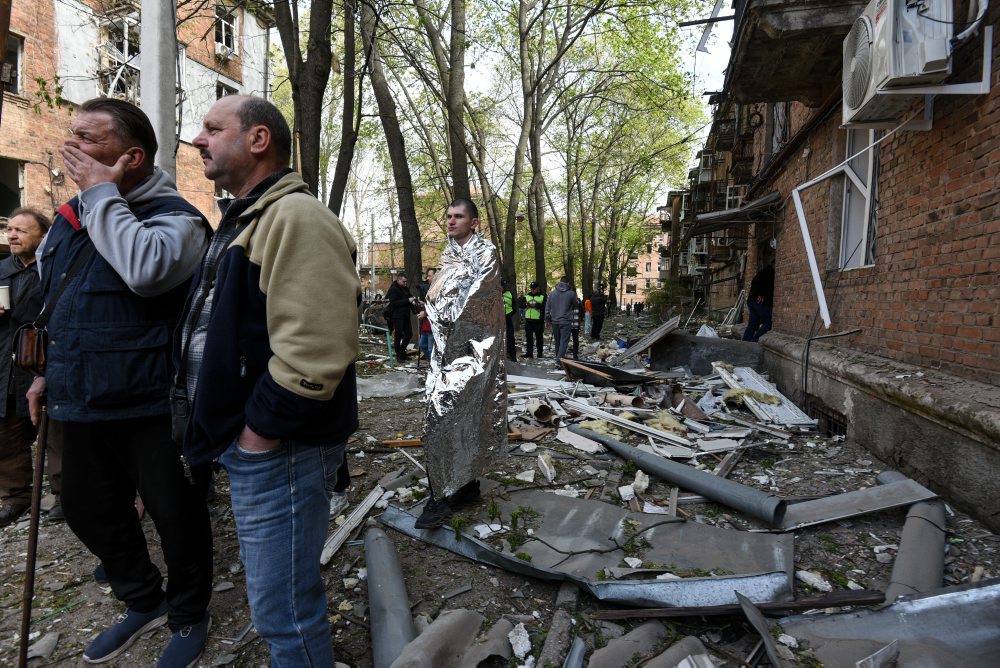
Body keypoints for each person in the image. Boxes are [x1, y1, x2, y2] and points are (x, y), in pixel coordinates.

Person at [25, 98, 213, 666]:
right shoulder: (69, 218)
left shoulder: (176, 218)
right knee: (85, 507)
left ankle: (188, 612)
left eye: (89, 138)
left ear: (131, 157)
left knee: (175, 517)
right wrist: (44, 373)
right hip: (78, 396)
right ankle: (143, 598)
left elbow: (146, 270)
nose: (72, 146)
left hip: (151, 401)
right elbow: (59, 304)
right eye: (72, 133)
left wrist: (102, 194)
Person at [180, 95, 359, 666]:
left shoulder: (296, 218)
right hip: (260, 444)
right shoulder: (249, 218)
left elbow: (316, 349)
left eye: (213, 129)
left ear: (259, 140)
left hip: (280, 448)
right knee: (278, 601)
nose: (198, 140)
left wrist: (260, 433)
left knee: (283, 610)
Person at [416, 198, 506, 529]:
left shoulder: (485, 253)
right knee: (449, 415)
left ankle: (442, 496)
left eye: (458, 217)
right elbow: (440, 294)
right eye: (449, 216)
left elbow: (479, 300)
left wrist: (445, 316)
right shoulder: (449, 254)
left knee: (450, 415)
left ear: (474, 223)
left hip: (474, 351)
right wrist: (432, 309)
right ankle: (462, 485)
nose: (451, 221)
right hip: (446, 351)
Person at [0, 208, 61, 526]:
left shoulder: (54, 267)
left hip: (43, 358)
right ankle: (16, 497)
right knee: (6, 430)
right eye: (10, 229)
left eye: (21, 230)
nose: (12, 235)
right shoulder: (1, 269)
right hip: (5, 362)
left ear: (43, 235)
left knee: (55, 431)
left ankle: (64, 495)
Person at [545, 277, 579, 360]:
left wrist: (547, 319)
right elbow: (576, 305)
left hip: (555, 321)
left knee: (557, 342)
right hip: (566, 321)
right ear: (568, 283)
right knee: (564, 342)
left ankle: (559, 358)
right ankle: (559, 360)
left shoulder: (552, 293)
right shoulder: (571, 293)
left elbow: (547, 307)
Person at [386, 274, 416, 359]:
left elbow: (410, 297)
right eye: (403, 281)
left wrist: (414, 301)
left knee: (409, 334)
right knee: (398, 335)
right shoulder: (393, 289)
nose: (405, 283)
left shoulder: (405, 288)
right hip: (397, 315)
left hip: (406, 315)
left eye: (406, 281)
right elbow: (394, 303)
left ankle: (402, 351)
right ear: (398, 280)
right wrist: (407, 300)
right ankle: (399, 354)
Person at [743, 263, 775, 342]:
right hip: (757, 302)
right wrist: (761, 294)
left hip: (752, 301)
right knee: (769, 320)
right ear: (773, 264)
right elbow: (758, 283)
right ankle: (754, 340)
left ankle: (745, 342)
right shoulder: (768, 272)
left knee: (753, 324)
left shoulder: (764, 272)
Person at [519, 281, 545, 358]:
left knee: (539, 337)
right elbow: (521, 304)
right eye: (531, 288)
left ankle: (539, 353)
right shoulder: (527, 296)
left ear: (538, 288)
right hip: (528, 320)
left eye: (534, 289)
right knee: (529, 337)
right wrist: (525, 305)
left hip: (538, 320)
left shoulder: (543, 296)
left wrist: (535, 305)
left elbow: (545, 306)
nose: (532, 290)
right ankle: (529, 353)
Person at [502, 279, 517, 361]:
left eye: (504, 286)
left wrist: (510, 315)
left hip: (508, 318)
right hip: (498, 320)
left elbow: (514, 306)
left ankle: (513, 356)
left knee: (510, 337)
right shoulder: (495, 294)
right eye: (502, 286)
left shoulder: (509, 293)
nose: (503, 287)